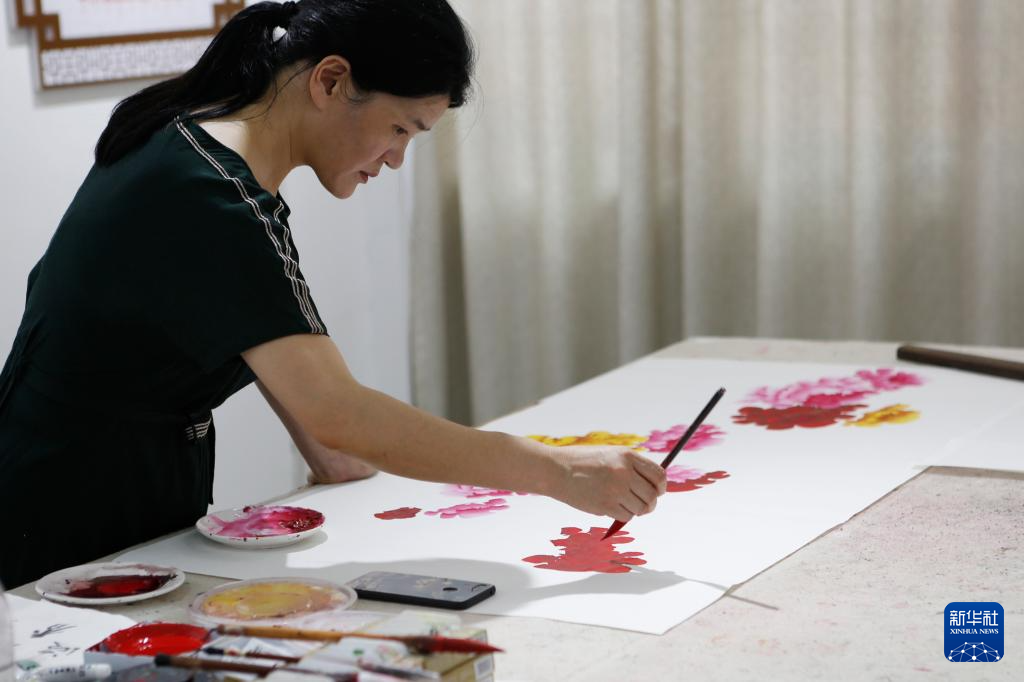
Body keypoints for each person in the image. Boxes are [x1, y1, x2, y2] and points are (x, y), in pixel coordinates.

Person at [0, 0, 666, 588]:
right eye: (401, 129)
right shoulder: (214, 198)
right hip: (76, 510)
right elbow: (337, 412)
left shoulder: (202, 151)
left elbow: (279, 355)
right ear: (330, 81)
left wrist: (333, 455)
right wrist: (559, 472)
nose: (397, 158)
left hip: (97, 482)